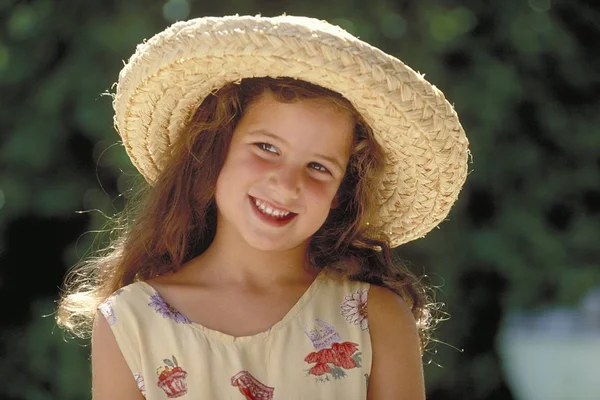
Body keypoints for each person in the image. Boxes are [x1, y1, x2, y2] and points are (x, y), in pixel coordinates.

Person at [56, 15, 469, 399]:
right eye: (267, 147)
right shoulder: (131, 322)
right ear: (215, 149)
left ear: (342, 193)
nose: (287, 183)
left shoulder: (374, 317)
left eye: (319, 167)